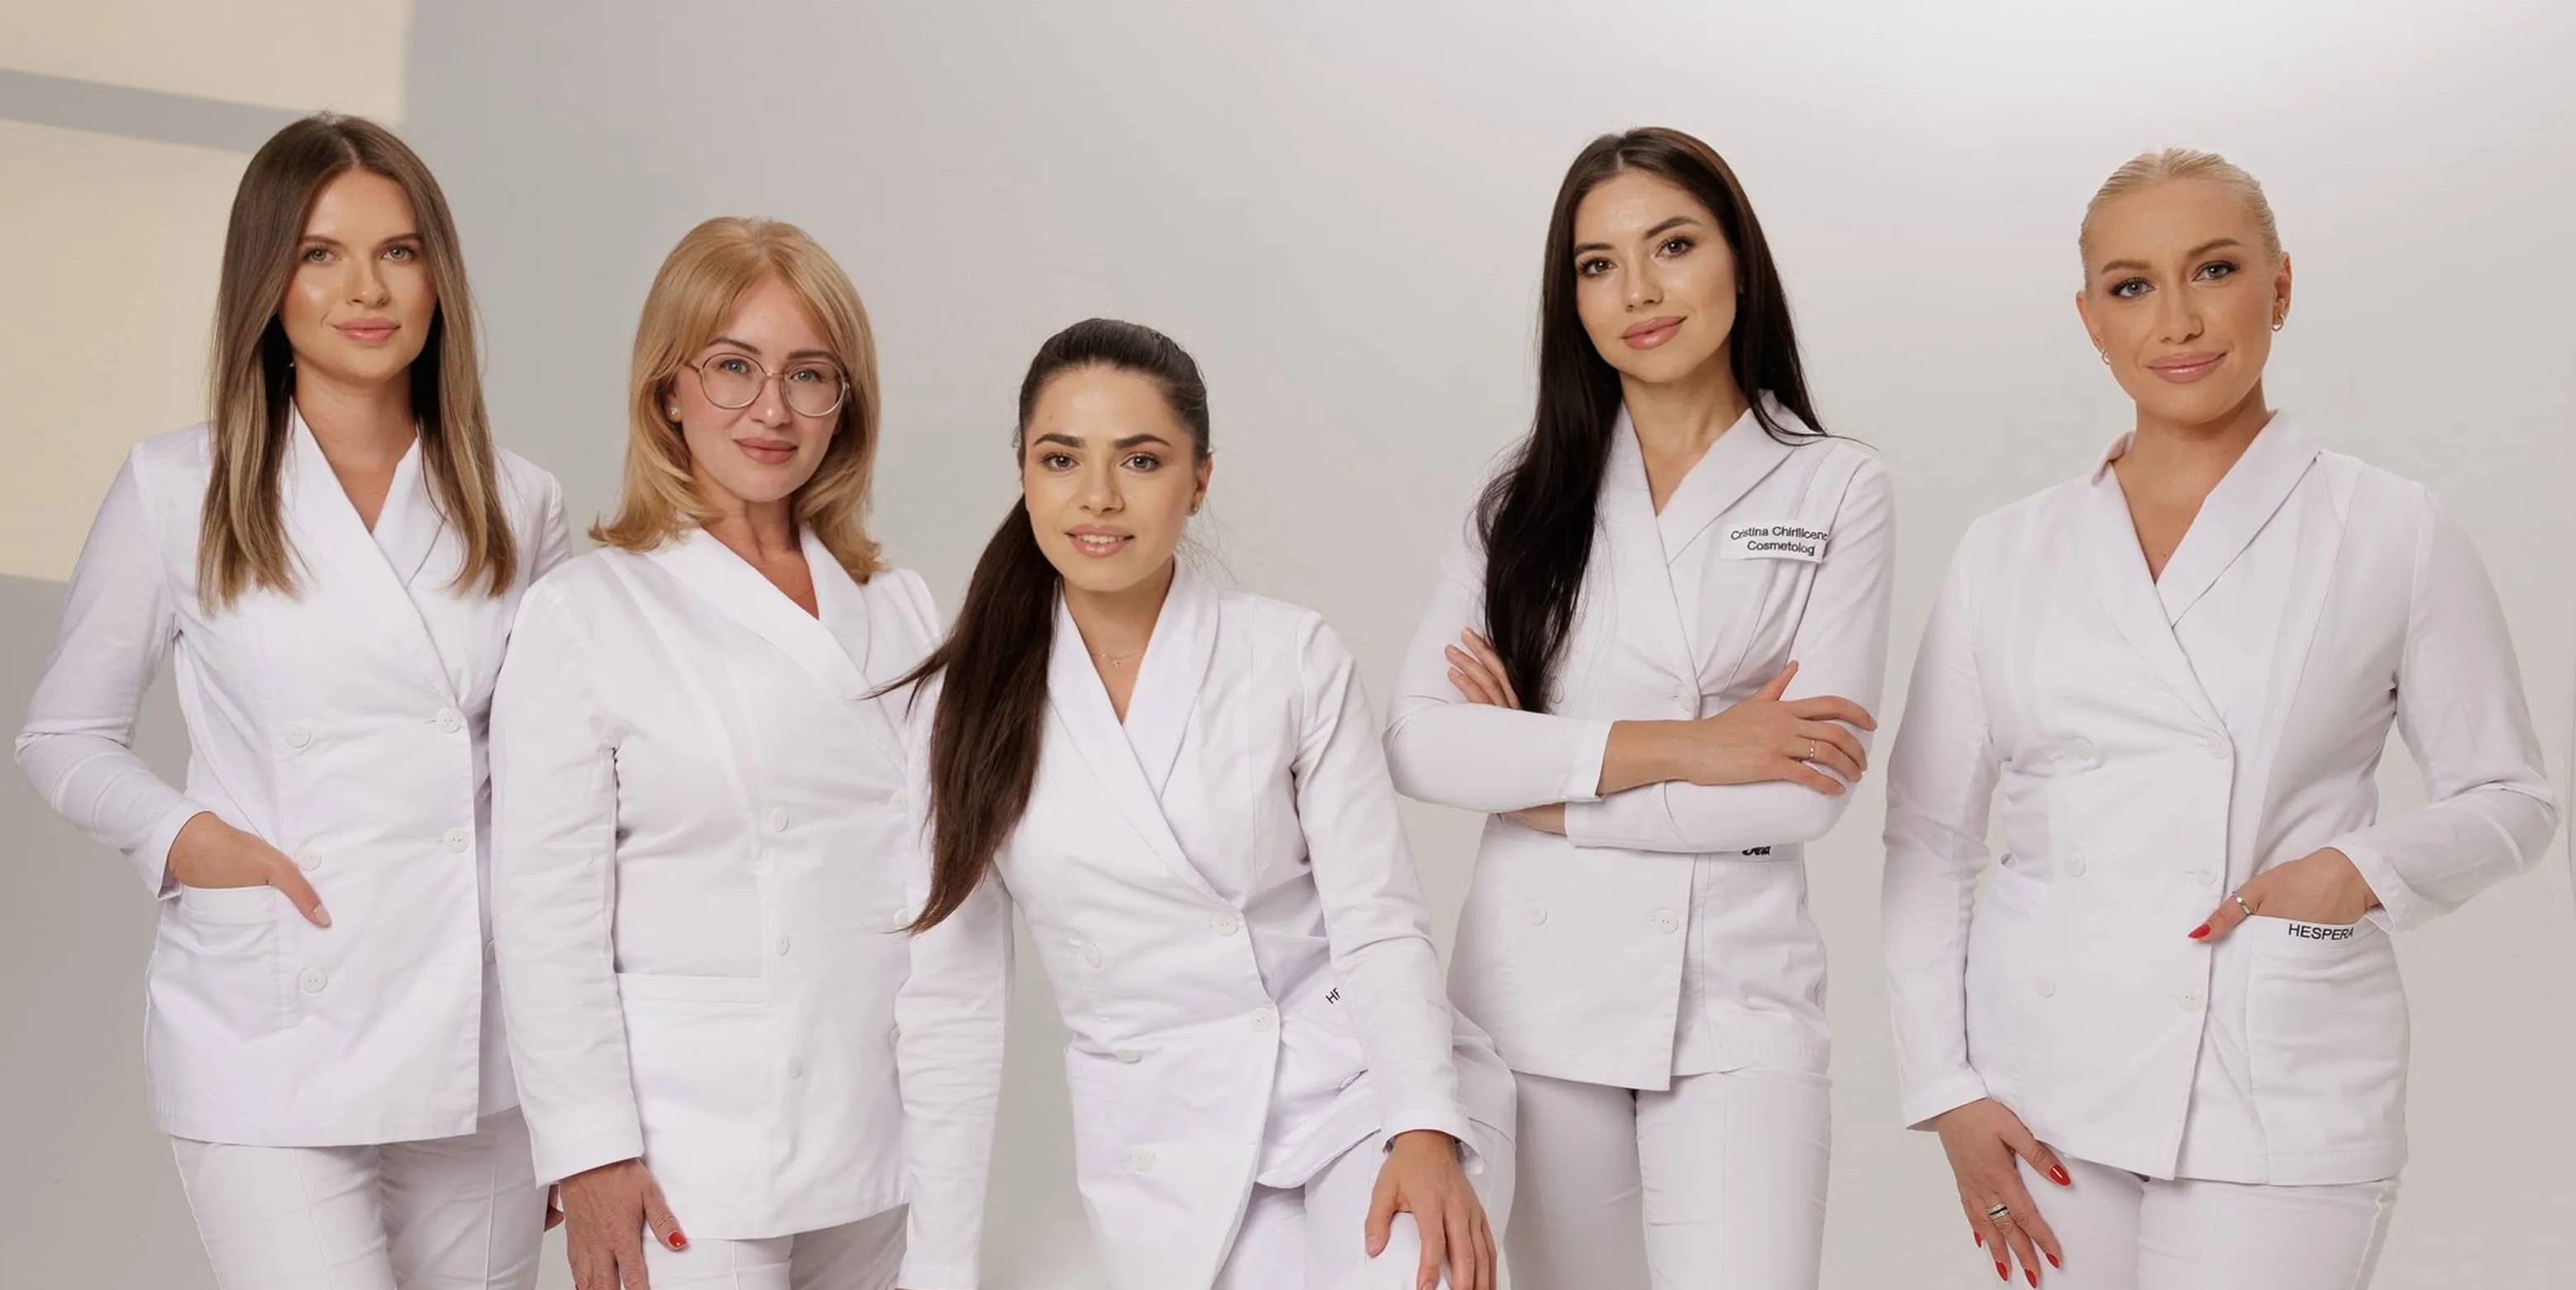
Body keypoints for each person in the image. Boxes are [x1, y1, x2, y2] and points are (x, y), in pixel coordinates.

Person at [1882, 147, 2558, 1290]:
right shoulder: (2009, 550)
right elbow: (1930, 837)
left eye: (2217, 269)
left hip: (2276, 1077)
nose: (2180, 319)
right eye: (2134, 286)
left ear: (2281, 288)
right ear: (2092, 319)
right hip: (2043, 1081)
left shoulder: (2389, 528)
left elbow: (2513, 798)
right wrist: (1944, 1086)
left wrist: (2355, 865)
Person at [15, 112, 570, 1290]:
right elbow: (63, 735)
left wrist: (592, 1094)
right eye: (322, 254)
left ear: (439, 281)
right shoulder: (178, 487)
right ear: (268, 281)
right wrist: (186, 839)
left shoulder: (523, 506)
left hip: (483, 1041)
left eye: (400, 252)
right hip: (268, 1023)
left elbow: (570, 793)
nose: (366, 289)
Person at [893, 318, 1515, 1290]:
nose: (1097, 496)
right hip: (1163, 1139)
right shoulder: (958, 703)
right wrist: (934, 1270)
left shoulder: (1288, 656)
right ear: (1023, 470)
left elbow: (1376, 918)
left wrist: (1424, 1127)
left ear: (1200, 479)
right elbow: (951, 1003)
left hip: (1357, 1076)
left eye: (1140, 460)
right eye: (1062, 459)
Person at [1381, 127, 1893, 1290]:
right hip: (1536, 996)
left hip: (1739, 995)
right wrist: (1699, 747)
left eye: (1672, 246)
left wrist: (1547, 790)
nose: (1639, 291)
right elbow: (1421, 741)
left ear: (1740, 265)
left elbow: (1805, 790)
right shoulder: (1518, 498)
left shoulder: (1835, 487)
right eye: (1597, 264)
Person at [489, 217, 988, 1290]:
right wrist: (588, 1154)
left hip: (877, 1144)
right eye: (733, 368)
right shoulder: (588, 612)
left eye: (811, 374)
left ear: (846, 404)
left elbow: (945, 907)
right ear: (668, 390)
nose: (772, 409)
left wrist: (946, 1187)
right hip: (684, 1163)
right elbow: (544, 914)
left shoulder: (899, 610)